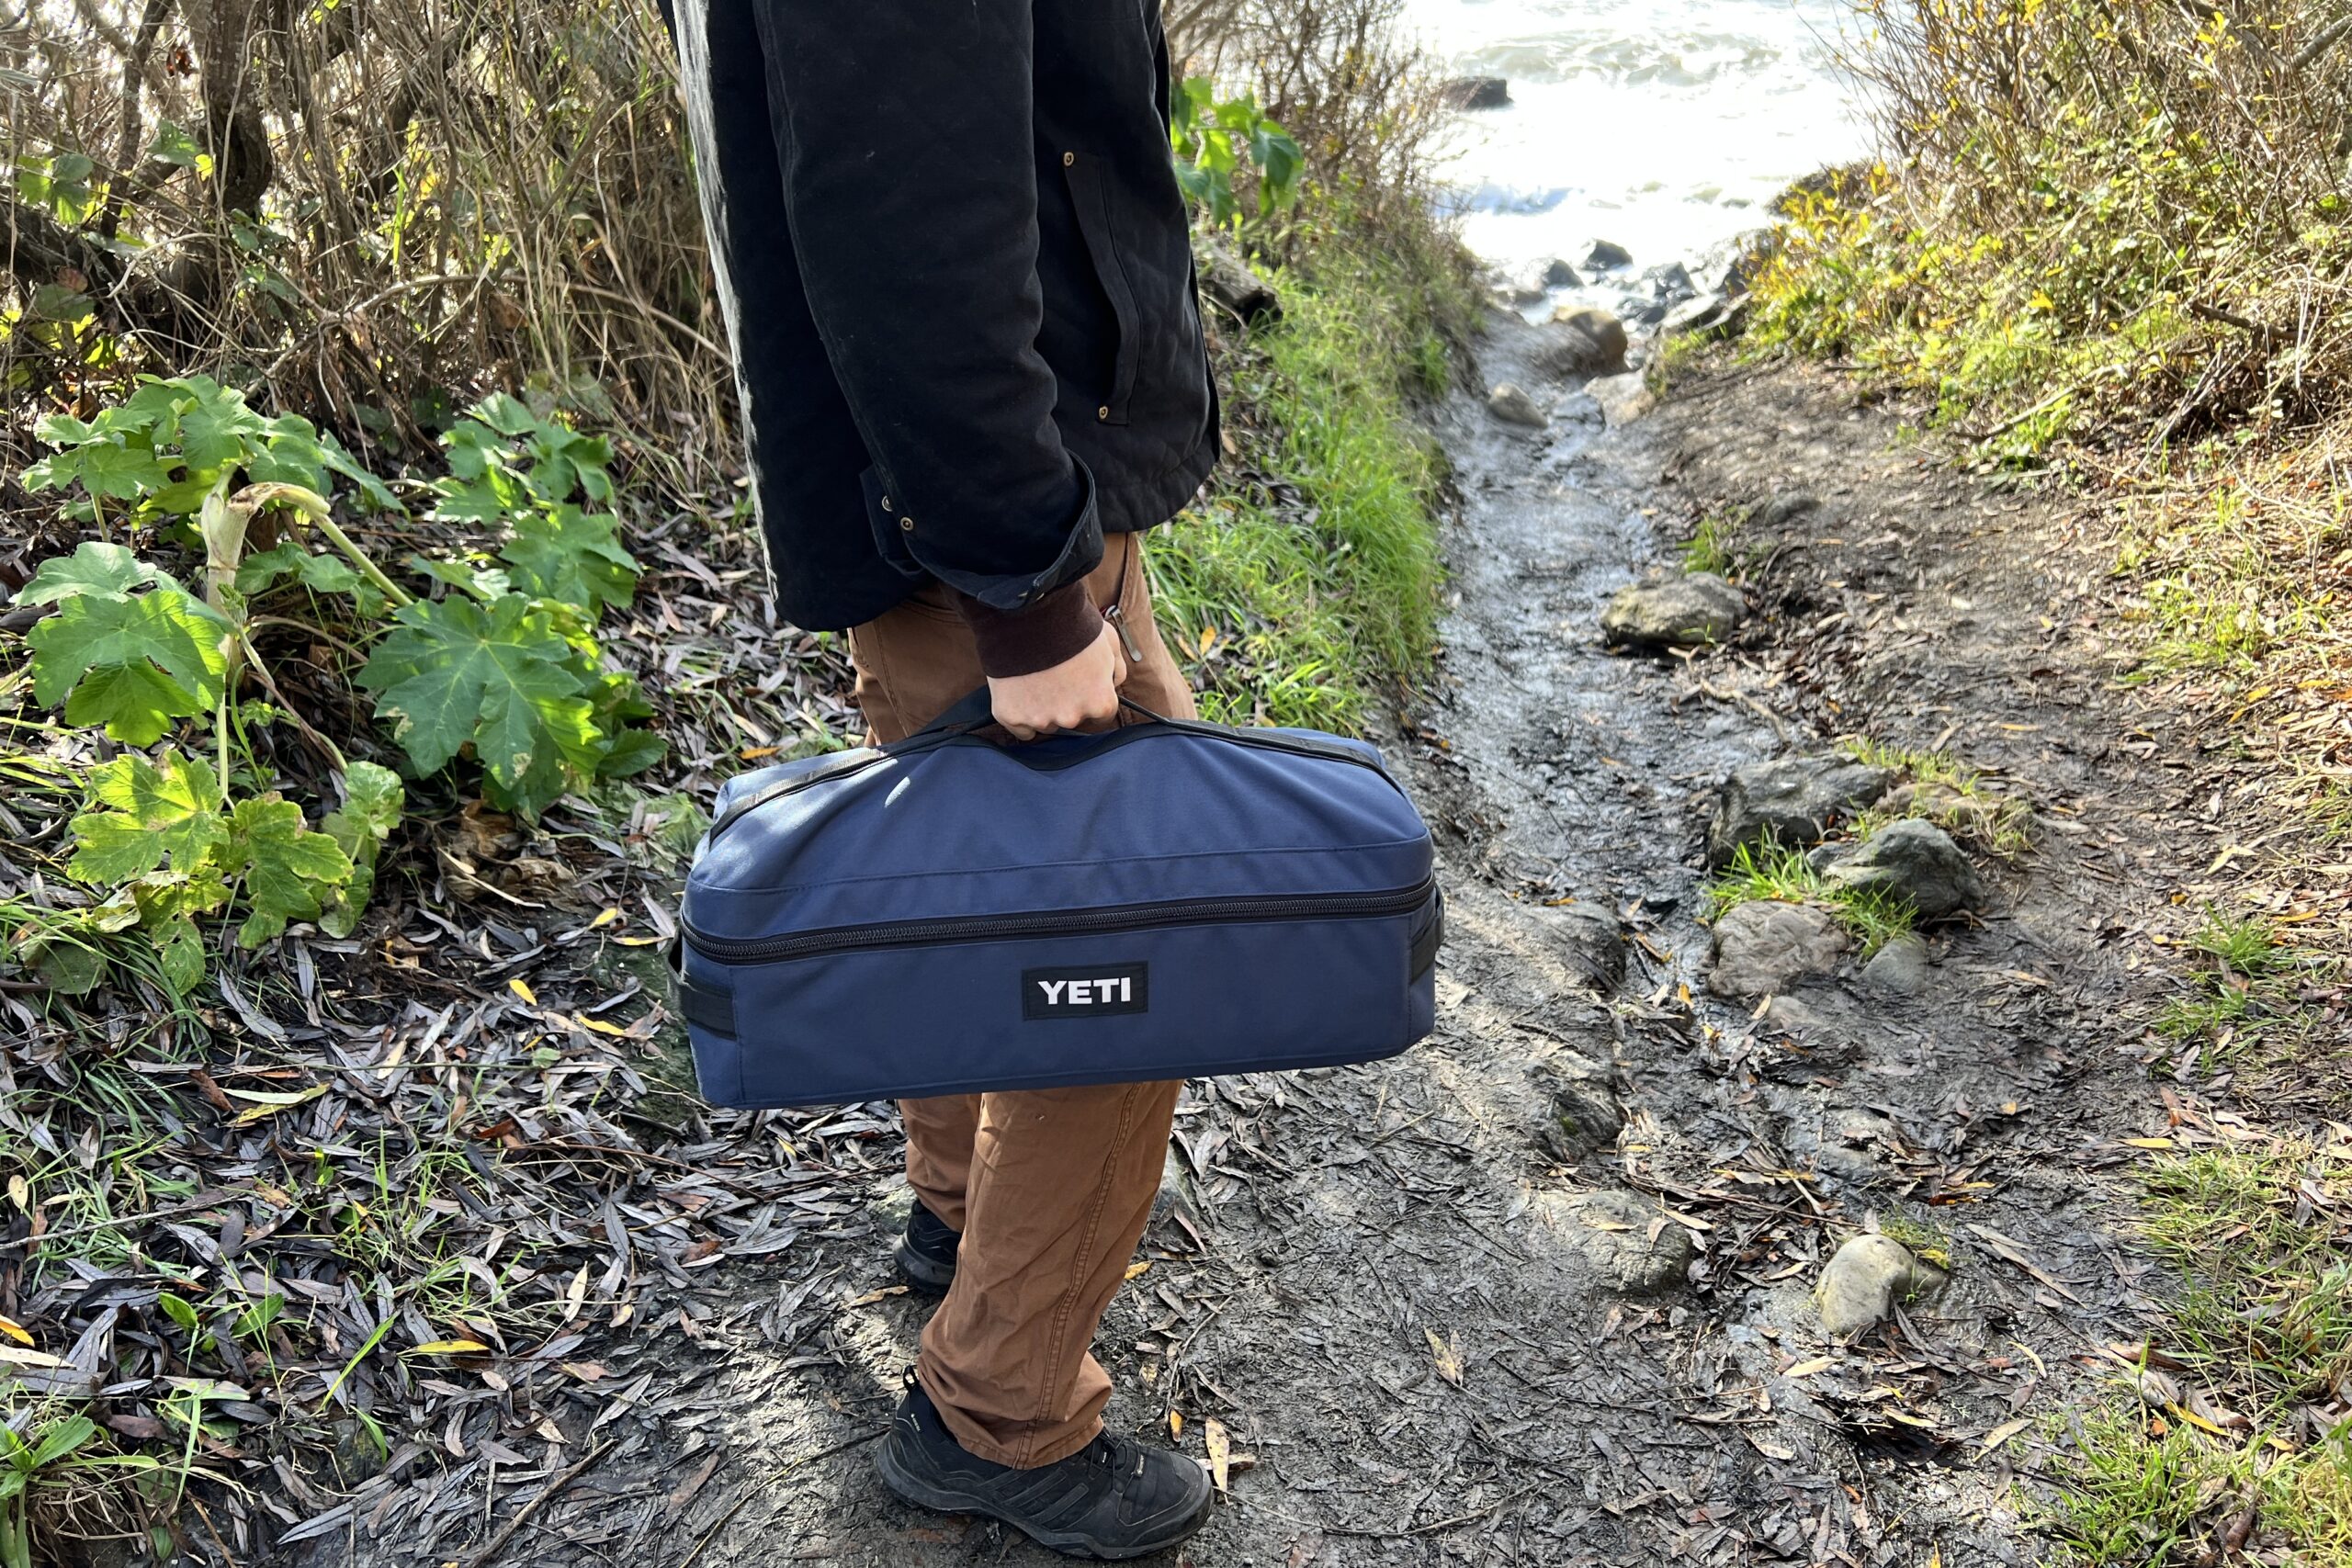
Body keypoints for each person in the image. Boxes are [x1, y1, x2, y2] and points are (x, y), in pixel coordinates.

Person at [670, 1, 1220, 1557]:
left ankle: (961, 1213)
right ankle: (1001, 1411)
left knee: (963, 874)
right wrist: (1033, 594)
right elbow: (902, 194)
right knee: (1127, 942)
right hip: (990, 510)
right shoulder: (1010, 550)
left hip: (955, 493)